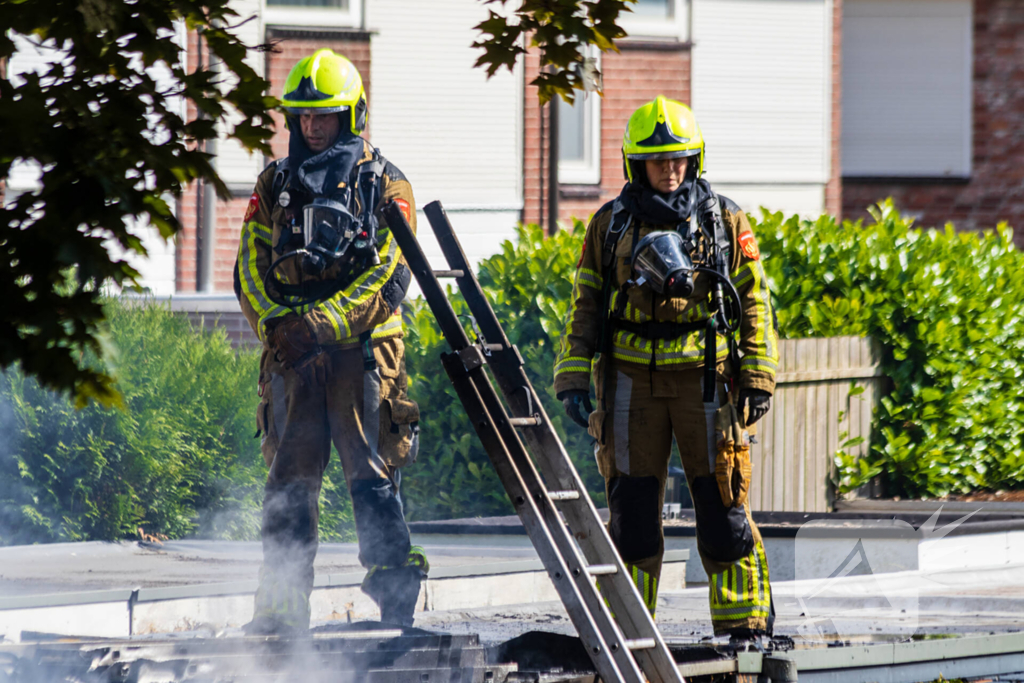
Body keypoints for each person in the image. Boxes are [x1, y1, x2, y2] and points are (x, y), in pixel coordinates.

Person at [554, 96, 779, 642]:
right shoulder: (610, 225)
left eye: (679, 159)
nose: (670, 169)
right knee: (631, 514)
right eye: (658, 160)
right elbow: (586, 304)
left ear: (694, 159)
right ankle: (626, 630)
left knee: (723, 506)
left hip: (707, 380)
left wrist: (757, 376)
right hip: (630, 386)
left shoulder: (724, 220)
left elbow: (754, 300)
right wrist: (573, 376)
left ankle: (745, 626)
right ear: (637, 165)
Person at [234, 48, 427, 634]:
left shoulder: (386, 183)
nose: (312, 127)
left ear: (352, 115)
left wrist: (315, 327)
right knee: (288, 480)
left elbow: (390, 276)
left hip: (362, 355)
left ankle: (395, 603)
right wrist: (280, 330)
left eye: (325, 115)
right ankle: (279, 610)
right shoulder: (274, 182)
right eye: (303, 116)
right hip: (292, 355)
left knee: (371, 474)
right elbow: (249, 269)